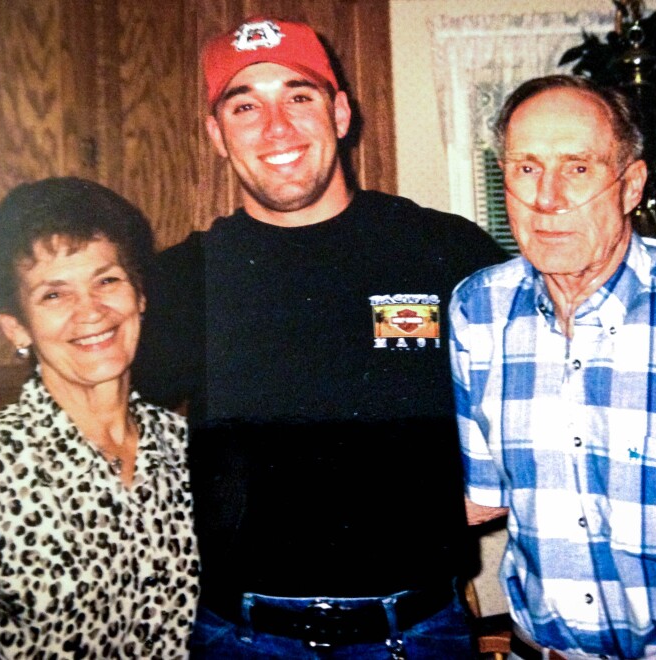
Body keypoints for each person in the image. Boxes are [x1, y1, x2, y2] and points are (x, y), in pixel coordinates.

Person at [132, 16, 508, 659]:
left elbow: (556, 372)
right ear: (217, 135)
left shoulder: (443, 251)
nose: (275, 127)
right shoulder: (178, 281)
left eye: (298, 97)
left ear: (339, 113)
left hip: (416, 635)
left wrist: (505, 471)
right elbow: (75, 416)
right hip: (239, 637)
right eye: (245, 105)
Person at [449, 74, 656, 659]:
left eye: (579, 168)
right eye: (526, 168)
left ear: (632, 184)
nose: (547, 198)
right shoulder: (477, 310)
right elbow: (484, 496)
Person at [0, 177, 199, 658]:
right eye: (54, 296)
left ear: (140, 295)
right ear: (16, 326)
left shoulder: (187, 451)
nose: (92, 312)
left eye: (107, 280)